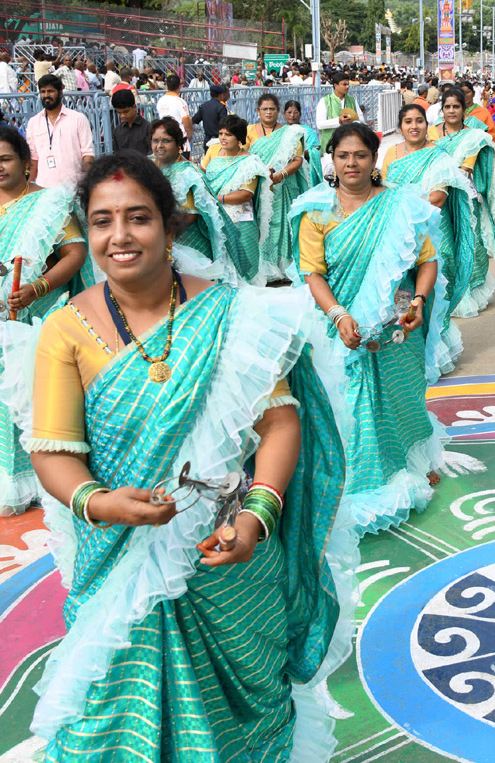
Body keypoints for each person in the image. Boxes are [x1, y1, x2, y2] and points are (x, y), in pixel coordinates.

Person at [10, 151, 353, 760]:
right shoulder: (65, 329)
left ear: (172, 227)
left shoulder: (234, 312)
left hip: (227, 558)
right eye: (101, 221)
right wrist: (100, 501)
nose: (118, 236)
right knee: (111, 723)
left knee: (238, 720)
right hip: (122, 561)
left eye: (138, 217)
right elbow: (54, 451)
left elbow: (279, 425)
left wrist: (257, 517)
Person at [293, 122, 445, 534]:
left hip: (397, 324)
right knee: (352, 400)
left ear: (374, 157)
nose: (351, 163)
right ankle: (368, 474)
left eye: (360, 155)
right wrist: (340, 315)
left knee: (401, 396)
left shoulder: (399, 204)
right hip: (340, 323)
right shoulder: (316, 212)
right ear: (332, 160)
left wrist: (418, 301)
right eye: (343, 156)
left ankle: (413, 461)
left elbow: (426, 261)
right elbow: (313, 273)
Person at [0, 125, 86, 515]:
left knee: (36, 394)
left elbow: (74, 253)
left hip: (36, 314)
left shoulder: (47, 203)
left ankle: (44, 474)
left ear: (25, 163)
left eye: (4, 159)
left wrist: (37, 288)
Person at [381, 104, 474, 375]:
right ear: (400, 127)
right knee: (399, 289)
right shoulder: (391, 153)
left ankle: (430, 352)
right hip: (395, 231)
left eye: (419, 121)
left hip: (430, 230)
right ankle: (403, 349)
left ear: (426, 125)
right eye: (408, 121)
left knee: (429, 292)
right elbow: (382, 189)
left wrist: (402, 203)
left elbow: (438, 197)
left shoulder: (437, 155)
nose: (414, 126)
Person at [429, 87, 495, 317]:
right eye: (447, 107)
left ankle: (472, 291)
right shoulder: (431, 133)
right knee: (445, 248)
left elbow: (465, 170)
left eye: (456, 106)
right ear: (442, 109)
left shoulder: (473, 136)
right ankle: (448, 294)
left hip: (464, 198)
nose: (451, 111)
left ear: (464, 109)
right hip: (436, 198)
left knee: (472, 246)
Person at [149, 117, 247, 283]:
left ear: (179, 145)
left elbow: (190, 214)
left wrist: (162, 231)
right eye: (155, 141)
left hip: (186, 240)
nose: (159, 146)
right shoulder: (149, 166)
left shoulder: (186, 172)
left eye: (166, 141)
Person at [245, 94, 309, 283]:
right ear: (258, 111)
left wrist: (281, 175)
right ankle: (263, 268)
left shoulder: (290, 132)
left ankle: (285, 267)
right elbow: (244, 155)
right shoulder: (249, 131)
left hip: (284, 186)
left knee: (282, 225)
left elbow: (298, 159)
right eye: (264, 109)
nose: (268, 112)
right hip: (258, 186)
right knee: (261, 225)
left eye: (272, 109)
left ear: (278, 111)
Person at [200, 115, 270, 285]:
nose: (223, 138)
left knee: (245, 267)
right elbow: (201, 176)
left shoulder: (249, 161)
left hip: (241, 221)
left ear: (238, 137)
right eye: (221, 133)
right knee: (224, 267)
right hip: (217, 219)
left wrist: (217, 199)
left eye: (228, 134)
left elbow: (246, 194)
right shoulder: (214, 154)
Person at [26, 74, 95, 187]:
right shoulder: (34, 122)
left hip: (74, 187)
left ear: (60, 92)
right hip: (44, 189)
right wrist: (30, 186)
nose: (46, 95)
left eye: (50, 91)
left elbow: (87, 154)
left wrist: (89, 181)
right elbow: (34, 159)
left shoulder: (78, 119)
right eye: (43, 92)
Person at [283, 99, 325, 184]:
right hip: (286, 171)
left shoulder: (307, 131)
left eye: (295, 112)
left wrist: (301, 153)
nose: (292, 115)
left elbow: (316, 151)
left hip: (305, 170)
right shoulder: (281, 131)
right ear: (284, 114)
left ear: (300, 115)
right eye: (289, 112)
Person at [316, 72, 359, 154]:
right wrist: (338, 120)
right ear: (335, 86)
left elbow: (360, 120)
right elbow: (320, 124)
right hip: (330, 147)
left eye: (348, 84)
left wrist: (353, 122)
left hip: (350, 145)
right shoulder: (325, 101)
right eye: (344, 84)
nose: (347, 86)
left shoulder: (352, 100)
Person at [154, 74, 192, 157]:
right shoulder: (180, 102)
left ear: (166, 86)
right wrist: (187, 139)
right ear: (179, 86)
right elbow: (188, 126)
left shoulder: (160, 101)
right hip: (180, 142)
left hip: (165, 140)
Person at [110, 88, 152, 155]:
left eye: (126, 112)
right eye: (119, 113)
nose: (122, 116)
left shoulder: (148, 128)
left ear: (134, 107)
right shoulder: (117, 131)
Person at [196, 83, 229, 148]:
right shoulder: (221, 107)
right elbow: (225, 124)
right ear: (221, 95)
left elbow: (194, 120)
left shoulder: (204, 106)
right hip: (218, 140)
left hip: (207, 140)